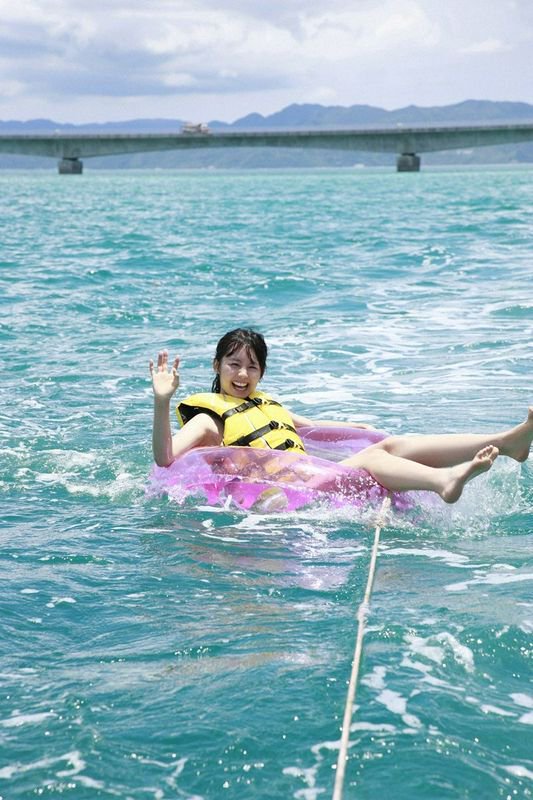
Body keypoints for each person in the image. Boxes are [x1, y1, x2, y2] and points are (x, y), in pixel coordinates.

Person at [150, 328, 533, 504]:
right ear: (217, 366)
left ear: (261, 373)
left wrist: (360, 429)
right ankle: (443, 481)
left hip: (303, 480)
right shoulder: (208, 421)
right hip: (276, 498)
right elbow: (165, 457)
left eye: (252, 367)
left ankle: (506, 442)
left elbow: (310, 429)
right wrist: (163, 401)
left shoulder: (264, 405)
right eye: (233, 364)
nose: (242, 374)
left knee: (391, 445)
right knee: (372, 459)